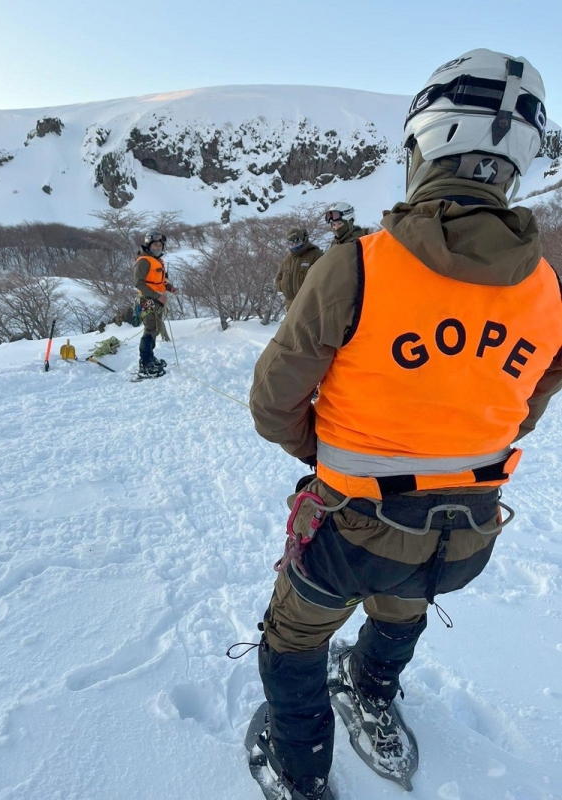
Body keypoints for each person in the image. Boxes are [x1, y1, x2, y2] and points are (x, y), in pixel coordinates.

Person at [248, 48, 562, 800]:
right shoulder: (547, 288)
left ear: (424, 146)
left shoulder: (358, 265)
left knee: (291, 638)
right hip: (465, 532)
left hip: (347, 529)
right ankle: (373, 692)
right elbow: (523, 406)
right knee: (403, 607)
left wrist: (327, 449)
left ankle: (301, 771)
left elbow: (272, 403)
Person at [134, 230, 177, 377]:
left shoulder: (158, 260)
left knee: (156, 329)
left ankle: (150, 358)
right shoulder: (144, 261)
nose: (158, 248)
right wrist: (157, 296)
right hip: (148, 300)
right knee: (150, 330)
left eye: (160, 245)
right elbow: (139, 284)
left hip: (157, 299)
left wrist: (169, 287)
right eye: (155, 245)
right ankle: (145, 364)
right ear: (148, 245)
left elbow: (160, 280)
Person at [275, 228, 323, 310]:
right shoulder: (287, 260)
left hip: (309, 305)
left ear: (303, 239)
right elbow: (278, 280)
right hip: (291, 306)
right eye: (290, 242)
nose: (294, 244)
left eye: (297, 240)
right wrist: (283, 286)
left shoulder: (315, 254)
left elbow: (323, 278)